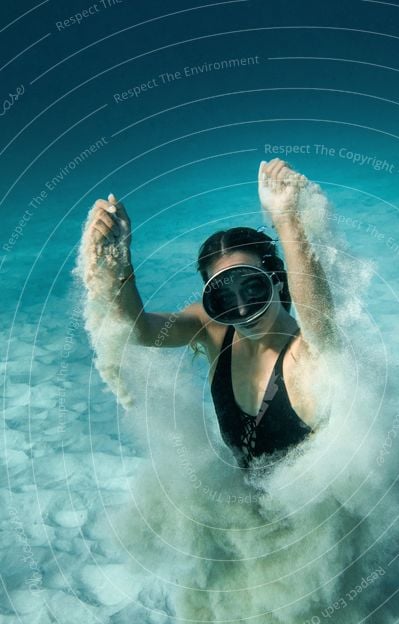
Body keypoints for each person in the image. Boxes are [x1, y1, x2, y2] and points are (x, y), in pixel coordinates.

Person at [86, 158, 338, 466]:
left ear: (276, 281)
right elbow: (139, 332)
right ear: (210, 301)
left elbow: (319, 319)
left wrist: (287, 220)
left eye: (253, 288)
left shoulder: (309, 351)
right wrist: (120, 260)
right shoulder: (215, 330)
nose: (244, 310)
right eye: (224, 299)